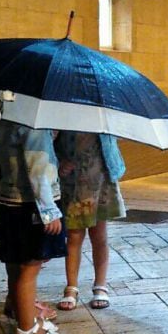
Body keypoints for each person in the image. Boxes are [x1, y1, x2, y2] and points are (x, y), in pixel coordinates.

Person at [0, 120, 67, 334]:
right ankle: (28, 331)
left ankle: (22, 312)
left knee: (16, 263)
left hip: (10, 203)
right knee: (30, 267)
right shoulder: (35, 125)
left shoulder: (4, 121)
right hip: (30, 206)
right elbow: (38, 171)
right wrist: (49, 211)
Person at [55, 132, 126, 311]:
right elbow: (52, 140)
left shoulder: (103, 112)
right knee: (74, 236)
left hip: (101, 176)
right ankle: (71, 287)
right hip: (74, 180)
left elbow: (116, 137)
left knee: (99, 235)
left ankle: (100, 284)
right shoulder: (64, 112)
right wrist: (60, 161)